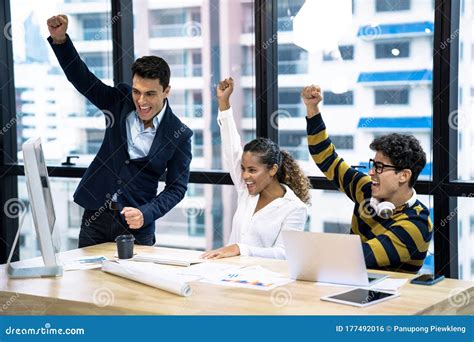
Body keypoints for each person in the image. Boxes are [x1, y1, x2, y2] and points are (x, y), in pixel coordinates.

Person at [46, 15, 193, 247]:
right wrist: (61, 41)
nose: (141, 101)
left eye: (150, 94)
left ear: (166, 91)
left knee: (134, 283)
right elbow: (83, 80)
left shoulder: (180, 135)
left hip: (137, 224)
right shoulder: (120, 101)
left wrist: (147, 213)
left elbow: (176, 188)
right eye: (137, 92)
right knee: (88, 282)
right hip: (95, 217)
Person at [302, 85, 432, 273]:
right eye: (373, 165)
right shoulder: (366, 189)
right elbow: (326, 158)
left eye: (380, 167)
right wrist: (312, 108)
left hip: (393, 299)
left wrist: (312, 252)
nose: (372, 173)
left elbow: (362, 257)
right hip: (350, 284)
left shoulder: (417, 223)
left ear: (404, 175)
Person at [201, 78, 311, 260]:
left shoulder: (295, 208)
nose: (244, 176)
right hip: (228, 274)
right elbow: (231, 148)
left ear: (273, 170)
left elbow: (284, 254)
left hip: (263, 281)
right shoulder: (246, 190)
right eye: (243, 169)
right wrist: (224, 103)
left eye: (252, 170)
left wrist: (240, 249)